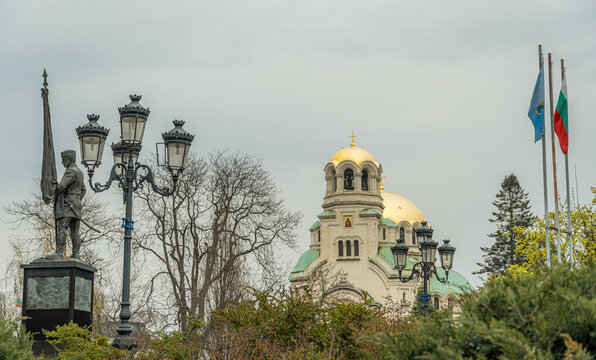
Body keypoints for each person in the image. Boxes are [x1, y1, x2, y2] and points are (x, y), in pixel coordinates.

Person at [46, 150, 86, 259]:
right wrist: (77, 199)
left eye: (63, 160)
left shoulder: (71, 171)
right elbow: (83, 190)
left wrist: (52, 187)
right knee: (75, 230)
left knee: (62, 228)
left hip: (69, 204)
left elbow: (62, 187)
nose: (62, 162)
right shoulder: (80, 172)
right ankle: (76, 253)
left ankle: (59, 252)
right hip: (76, 204)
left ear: (68, 159)